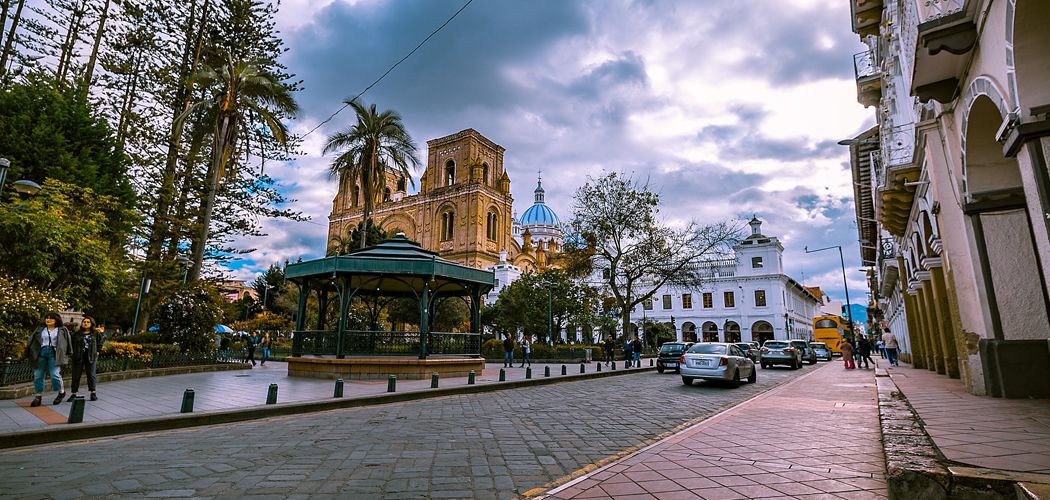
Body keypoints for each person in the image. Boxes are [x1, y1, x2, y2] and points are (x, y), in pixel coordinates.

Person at [24, 312, 72, 407]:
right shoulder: (40, 330)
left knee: (55, 374)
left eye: (51, 318)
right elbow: (31, 341)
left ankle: (61, 392)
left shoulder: (62, 330)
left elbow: (68, 341)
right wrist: (26, 353)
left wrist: (70, 352)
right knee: (38, 375)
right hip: (40, 352)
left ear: (56, 320)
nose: (48, 320)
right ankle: (38, 396)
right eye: (46, 318)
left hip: (54, 353)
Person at [67, 317, 102, 402]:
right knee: (76, 375)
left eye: (88, 322)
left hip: (91, 356)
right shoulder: (76, 334)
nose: (85, 323)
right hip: (78, 356)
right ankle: (73, 393)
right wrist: (71, 353)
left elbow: (100, 342)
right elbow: (71, 343)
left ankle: (93, 393)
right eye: (84, 322)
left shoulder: (95, 334)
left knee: (91, 375)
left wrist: (98, 351)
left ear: (91, 324)